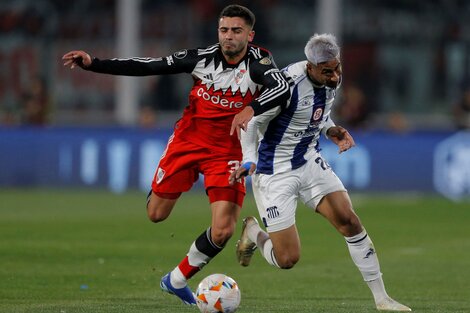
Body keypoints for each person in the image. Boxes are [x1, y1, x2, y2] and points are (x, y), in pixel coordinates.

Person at [62, 4, 290, 306]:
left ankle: (176, 279)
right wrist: (94, 63)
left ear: (250, 35)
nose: (229, 37)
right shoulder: (200, 58)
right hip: (188, 142)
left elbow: (282, 88)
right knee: (156, 214)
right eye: (224, 30)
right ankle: (163, 188)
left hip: (228, 151)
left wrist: (253, 109)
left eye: (236, 31)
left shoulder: (259, 63)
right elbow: (148, 65)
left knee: (223, 230)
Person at [229, 34, 412, 311]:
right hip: (274, 172)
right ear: (309, 67)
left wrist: (330, 130)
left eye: (337, 68)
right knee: (287, 258)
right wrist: (248, 159)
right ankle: (253, 231)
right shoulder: (285, 86)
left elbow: (317, 112)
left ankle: (382, 299)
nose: (335, 76)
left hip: (309, 160)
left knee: (349, 220)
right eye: (328, 71)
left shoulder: (328, 79)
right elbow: (252, 122)